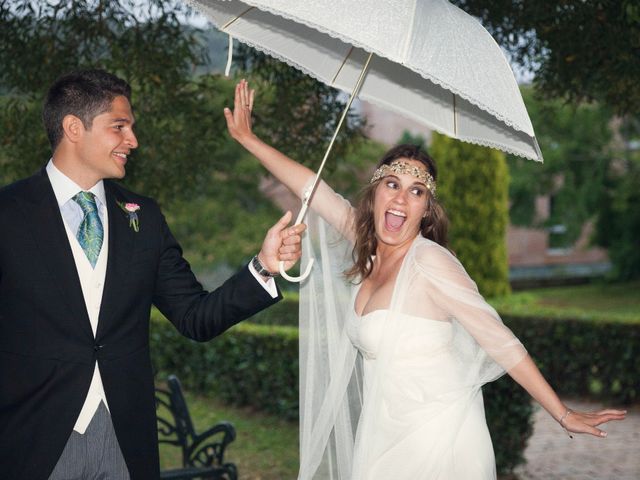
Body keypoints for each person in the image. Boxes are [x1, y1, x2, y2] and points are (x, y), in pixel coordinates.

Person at [225, 80, 627, 480]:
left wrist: (562, 412)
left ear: (426, 210)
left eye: (417, 192)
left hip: (441, 440)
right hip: (382, 435)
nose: (401, 199)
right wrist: (247, 138)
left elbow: (500, 340)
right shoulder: (367, 246)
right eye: (393, 185)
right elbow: (311, 188)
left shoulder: (431, 263)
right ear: (376, 192)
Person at [0, 70, 305, 480]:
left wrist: (263, 267)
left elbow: (196, 317)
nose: (133, 141)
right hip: (31, 438)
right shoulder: (8, 213)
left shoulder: (145, 216)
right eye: (119, 127)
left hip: (126, 439)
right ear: (74, 128)